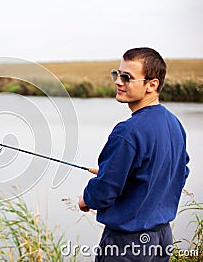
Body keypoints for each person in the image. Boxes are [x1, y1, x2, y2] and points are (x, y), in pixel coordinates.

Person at [78, 47, 190, 261]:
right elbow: (180, 171)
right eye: (117, 74)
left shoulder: (128, 131)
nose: (118, 82)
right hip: (162, 239)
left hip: (127, 245)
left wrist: (86, 198)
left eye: (127, 77)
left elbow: (105, 190)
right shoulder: (174, 124)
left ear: (152, 84)